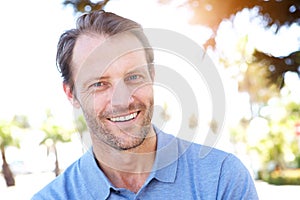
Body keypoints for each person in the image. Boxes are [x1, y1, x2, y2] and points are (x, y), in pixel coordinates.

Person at [32, 10, 258, 199]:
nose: (123, 100)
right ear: (71, 94)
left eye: (133, 77)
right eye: (100, 84)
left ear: (152, 75)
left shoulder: (222, 178)